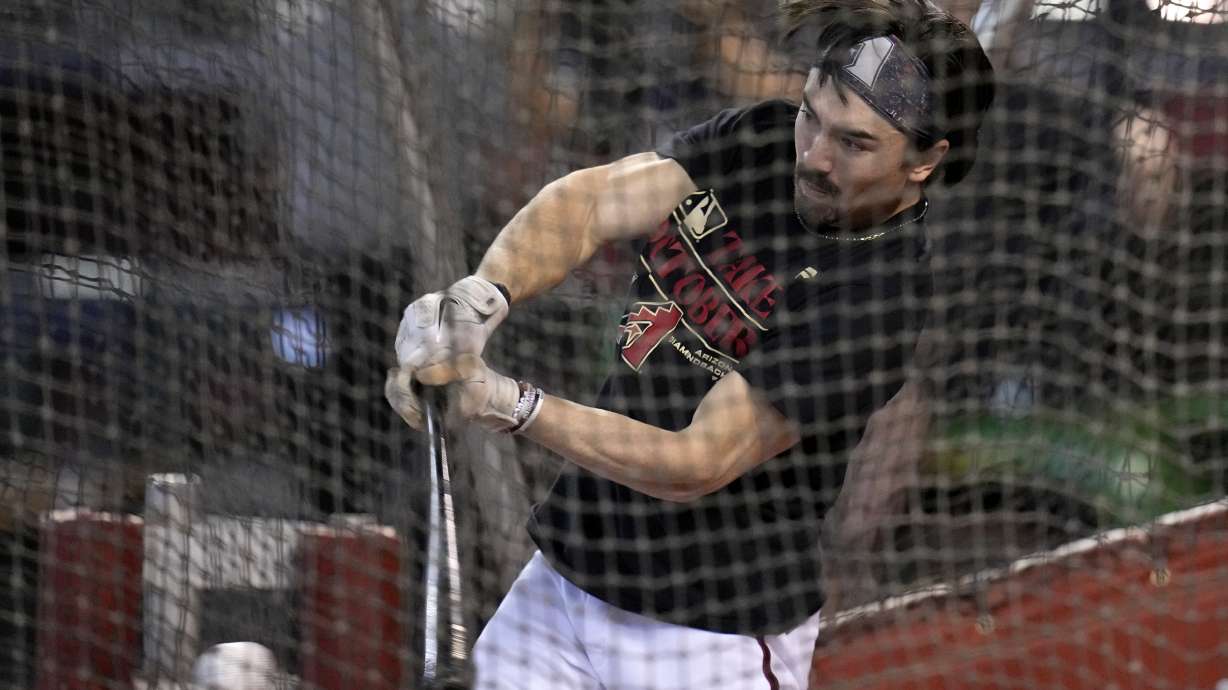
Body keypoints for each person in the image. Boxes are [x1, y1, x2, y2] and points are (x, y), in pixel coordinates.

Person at [386, 0, 995, 687]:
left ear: (925, 161)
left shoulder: (881, 295)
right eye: (811, 117)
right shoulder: (764, 141)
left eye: (854, 143)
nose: (814, 157)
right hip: (572, 574)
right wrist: (479, 299)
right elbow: (591, 205)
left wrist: (509, 403)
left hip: (706, 634)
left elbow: (695, 461)